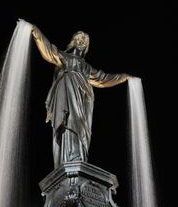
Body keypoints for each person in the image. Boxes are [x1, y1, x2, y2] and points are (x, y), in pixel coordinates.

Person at [31, 25, 130, 167]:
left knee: (82, 126)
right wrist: (36, 31)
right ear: (73, 41)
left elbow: (103, 78)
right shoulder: (64, 57)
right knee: (68, 122)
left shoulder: (86, 67)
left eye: (85, 40)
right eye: (79, 38)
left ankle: (80, 158)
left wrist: (124, 77)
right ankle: (68, 159)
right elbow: (48, 50)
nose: (82, 41)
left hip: (84, 98)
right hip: (67, 93)